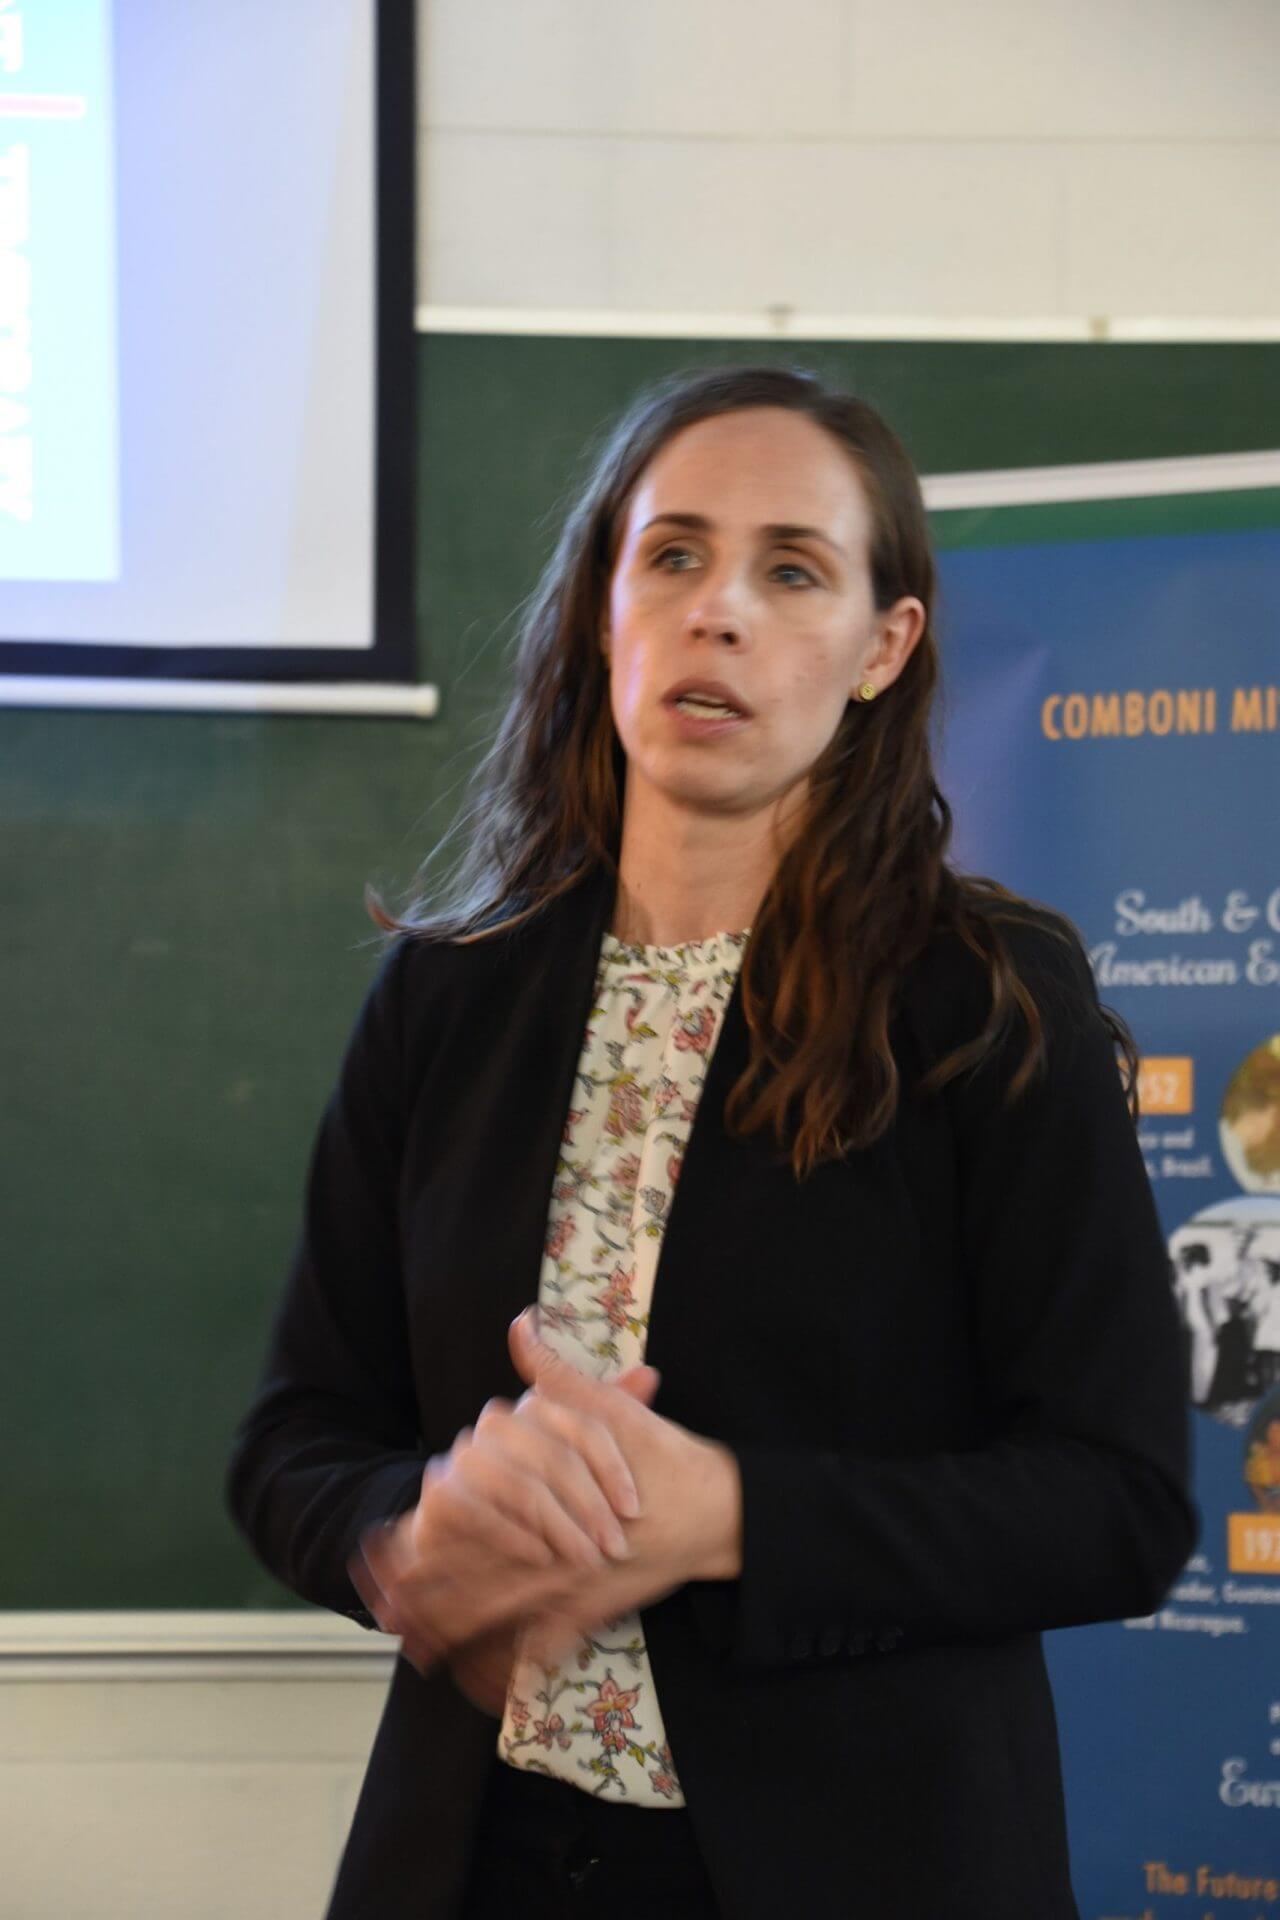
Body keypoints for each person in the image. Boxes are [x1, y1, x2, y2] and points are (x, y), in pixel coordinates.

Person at [225, 364, 1198, 1920]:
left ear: (885, 650)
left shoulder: (990, 1001)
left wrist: (729, 1516)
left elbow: (1118, 1501)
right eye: (671, 554)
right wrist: (402, 1537)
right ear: (604, 607)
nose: (719, 610)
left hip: (865, 1861)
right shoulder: (449, 991)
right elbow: (294, 1443)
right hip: (485, 1857)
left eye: (791, 570)